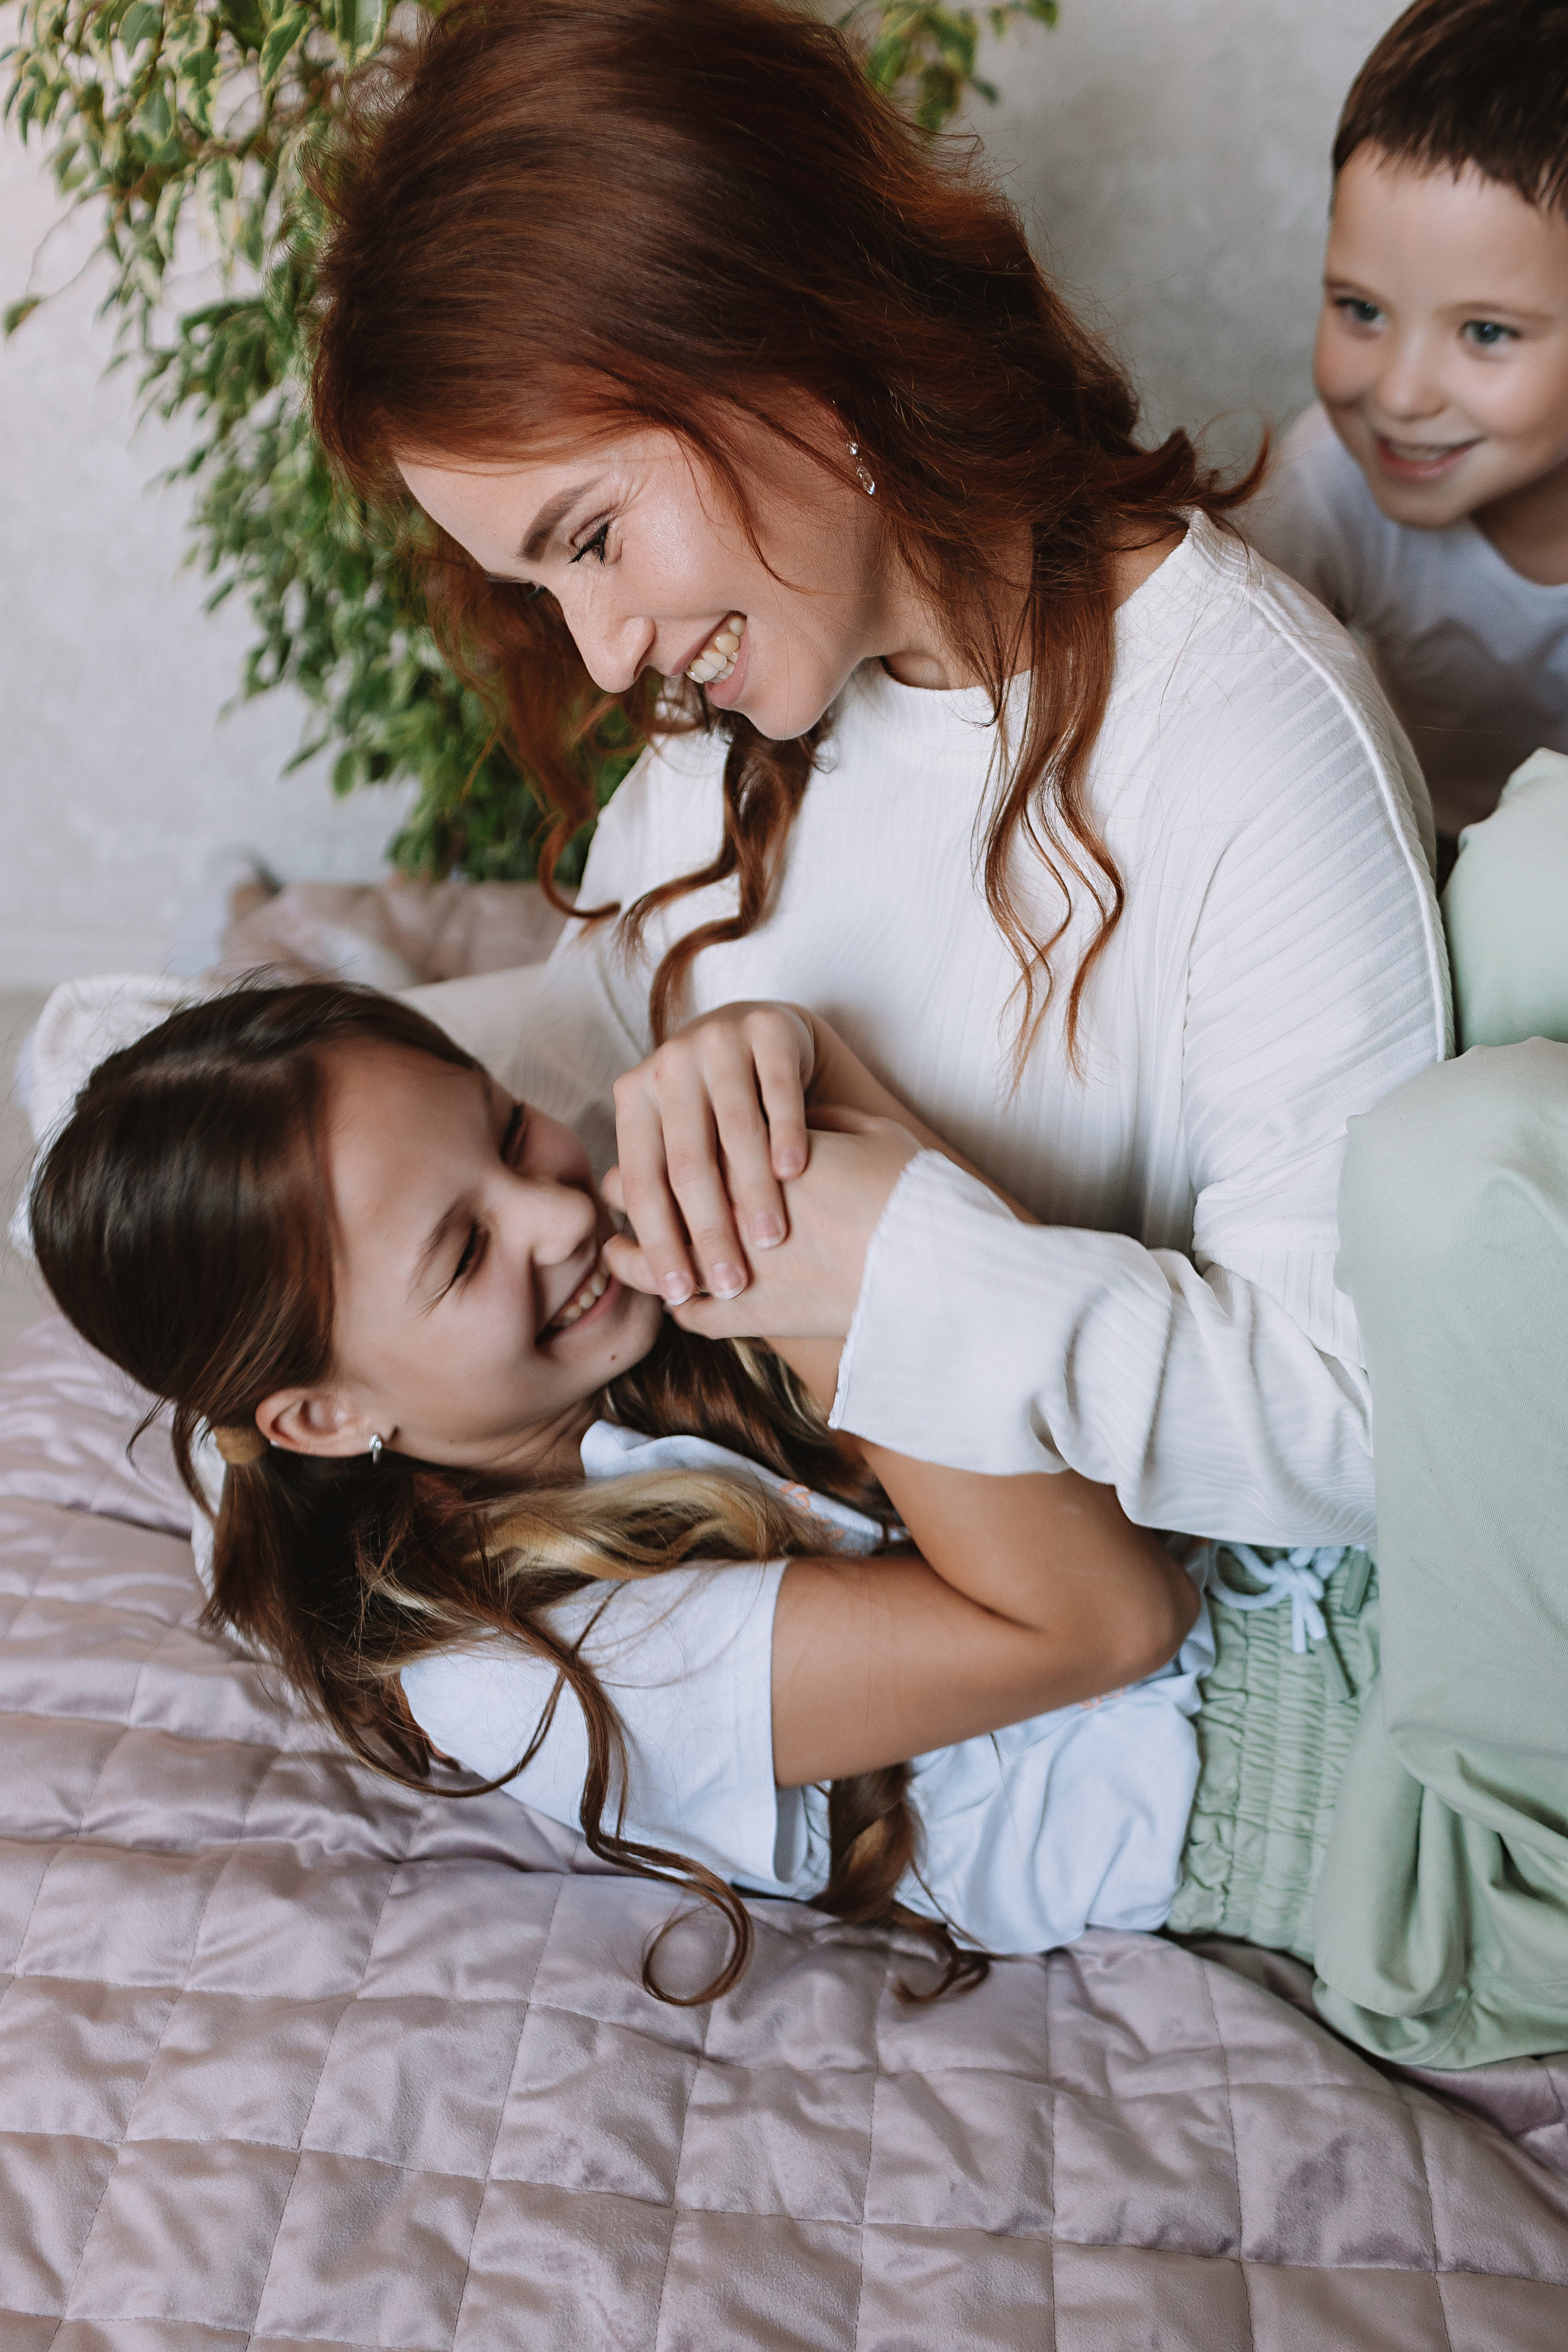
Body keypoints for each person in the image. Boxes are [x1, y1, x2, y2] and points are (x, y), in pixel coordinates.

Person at [309, 0, 1447, 1562]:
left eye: (590, 537)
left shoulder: (1249, 742)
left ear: (786, 351)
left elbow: (1350, 1431)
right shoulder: (748, 707)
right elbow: (588, 1031)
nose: (596, 649)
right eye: (541, 579)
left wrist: (910, 1252)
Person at [27, 979, 1381, 2028]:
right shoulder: (515, 1672)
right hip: (1324, 1792)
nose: (551, 1213)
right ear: (326, 1417)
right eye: (461, 1253)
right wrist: (851, 1296)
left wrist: (792, 1050)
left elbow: (1013, 1318)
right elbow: (1107, 1623)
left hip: (1312, 1536)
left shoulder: (627, 1327)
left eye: (507, 1127)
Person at [1244, 0, 1568, 876]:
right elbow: (1213, 677)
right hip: (1407, 857)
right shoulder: (1329, 484)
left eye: (1487, 333)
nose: (1399, 392)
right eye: (1361, 310)